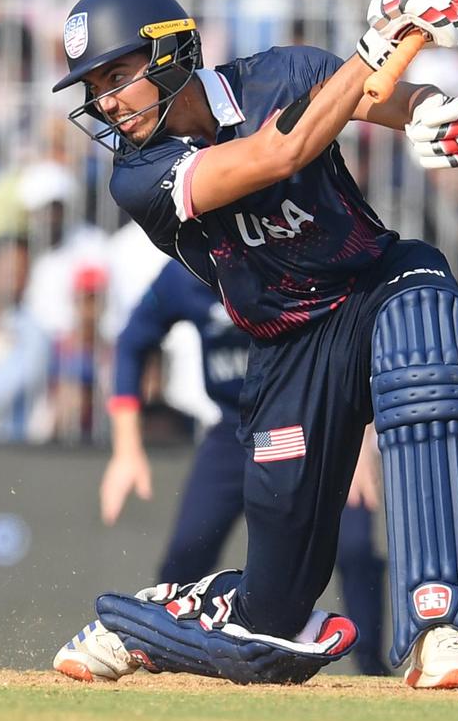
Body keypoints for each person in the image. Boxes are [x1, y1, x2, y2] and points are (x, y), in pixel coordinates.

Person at [49, 0, 458, 690]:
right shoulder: (138, 176)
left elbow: (385, 99)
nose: (105, 101)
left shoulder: (286, 73)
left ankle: (441, 628)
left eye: (118, 75)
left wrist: (437, 110)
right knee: (274, 623)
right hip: (288, 348)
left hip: (375, 286)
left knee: (431, 353)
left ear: (171, 54)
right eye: (93, 86)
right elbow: (276, 156)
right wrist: (377, 41)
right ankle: (182, 609)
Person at [104, 258, 390, 675]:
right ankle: (161, 661)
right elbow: (132, 341)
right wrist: (126, 450)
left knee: (355, 548)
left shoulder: (292, 254)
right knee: (185, 553)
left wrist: (357, 438)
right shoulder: (187, 270)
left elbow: (354, 332)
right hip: (236, 432)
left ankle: (372, 673)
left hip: (310, 426)